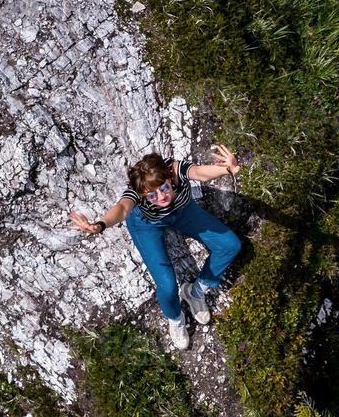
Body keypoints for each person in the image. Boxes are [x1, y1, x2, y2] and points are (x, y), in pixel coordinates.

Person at [68, 145, 243, 350]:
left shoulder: (174, 169)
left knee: (230, 245)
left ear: (168, 178)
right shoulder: (136, 191)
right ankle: (176, 319)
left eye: (164, 188)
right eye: (152, 196)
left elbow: (199, 172)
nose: (161, 197)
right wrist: (100, 225)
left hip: (183, 212)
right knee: (167, 285)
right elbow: (122, 208)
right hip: (146, 225)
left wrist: (227, 169)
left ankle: (194, 292)